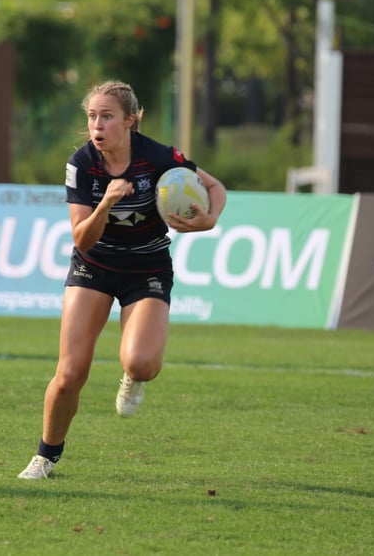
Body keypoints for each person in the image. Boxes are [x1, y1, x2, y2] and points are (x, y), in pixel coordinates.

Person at [18, 80, 226, 480]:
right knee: (70, 375)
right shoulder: (82, 164)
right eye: (92, 116)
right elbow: (82, 237)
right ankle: (45, 457)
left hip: (147, 266)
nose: (97, 125)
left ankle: (132, 377)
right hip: (93, 266)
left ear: (130, 121)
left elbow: (215, 188)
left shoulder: (159, 158)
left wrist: (208, 219)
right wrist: (108, 201)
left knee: (143, 363)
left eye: (107, 116)